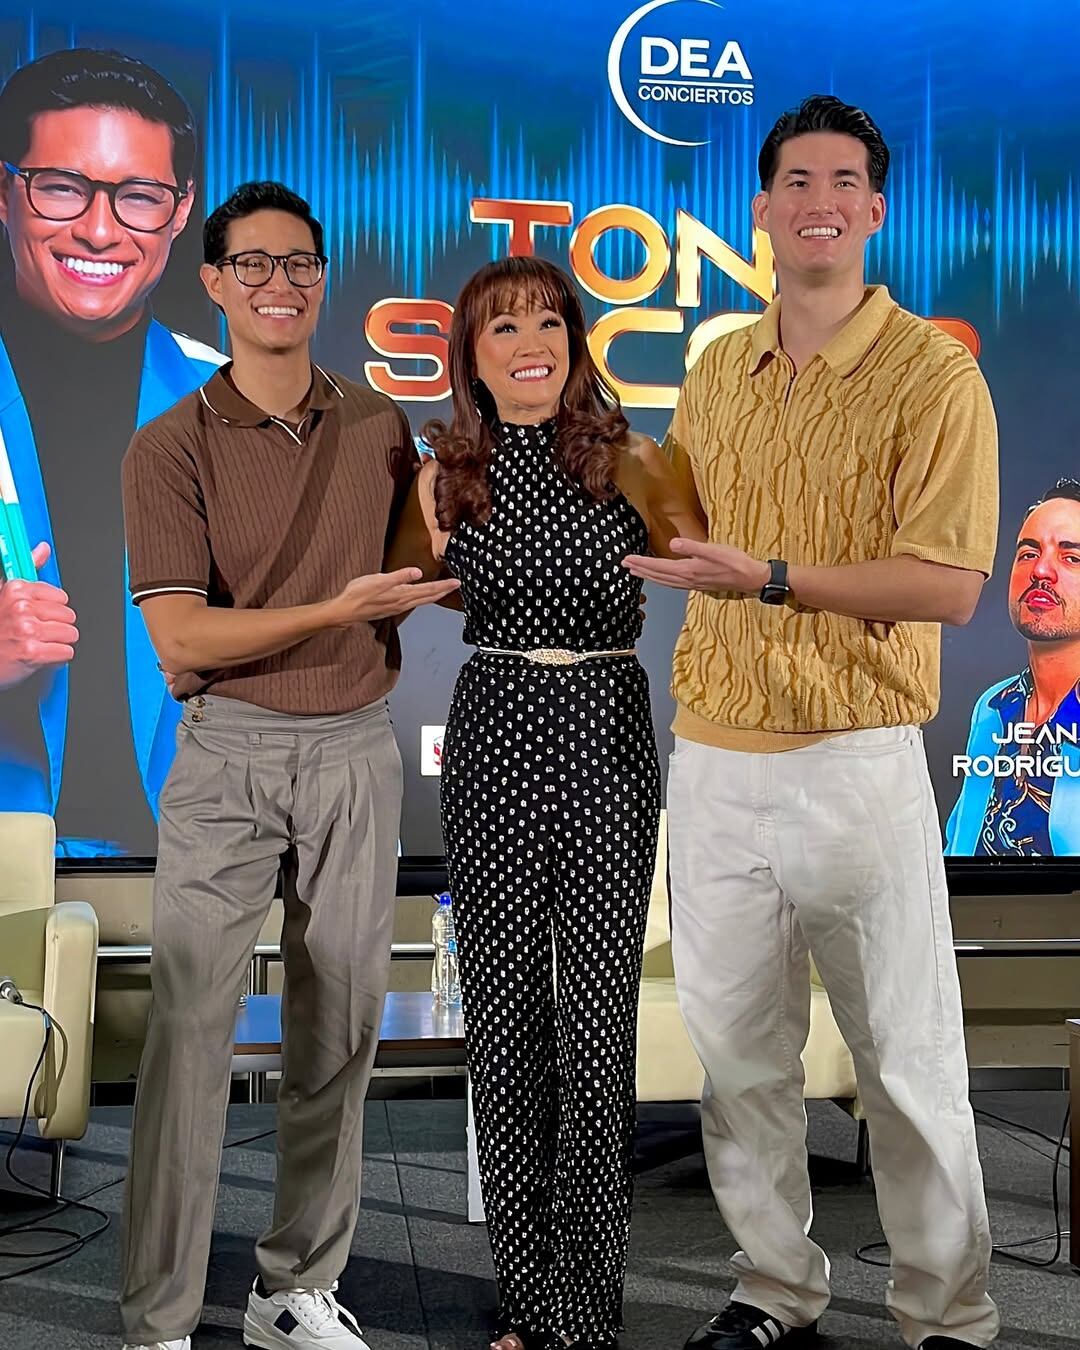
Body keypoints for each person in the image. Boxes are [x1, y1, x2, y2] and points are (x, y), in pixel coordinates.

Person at [623, 95, 1000, 1350]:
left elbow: (946, 584)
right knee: (740, 1066)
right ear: (763, 208)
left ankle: (947, 1315)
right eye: (796, 179)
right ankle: (773, 1288)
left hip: (858, 764)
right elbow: (683, 536)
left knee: (905, 1065)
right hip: (716, 758)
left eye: (845, 180)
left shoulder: (933, 372)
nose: (819, 200)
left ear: (876, 210)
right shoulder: (719, 362)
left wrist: (772, 576)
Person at [118, 179, 458, 1350]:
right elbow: (182, 639)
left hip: (355, 751)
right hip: (228, 756)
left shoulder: (377, 426)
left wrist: (449, 515)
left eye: (300, 265)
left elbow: (421, 573)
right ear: (213, 283)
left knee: (340, 1032)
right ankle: (158, 1315)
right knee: (191, 1033)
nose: (280, 286)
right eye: (253, 266)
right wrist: (335, 605)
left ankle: (291, 1288)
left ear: (324, 280)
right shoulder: (168, 446)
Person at [386, 254, 706, 1350]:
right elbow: (383, 602)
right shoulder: (444, 480)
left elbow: (714, 578)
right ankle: (528, 1300)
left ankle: (586, 1305)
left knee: (600, 1025)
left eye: (546, 321)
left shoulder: (635, 461)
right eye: (502, 327)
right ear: (469, 357)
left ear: (574, 339)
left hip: (609, 731)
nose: (529, 342)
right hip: (494, 737)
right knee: (508, 1026)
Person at [0, 46, 225, 854]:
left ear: (179, 209)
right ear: (4, 191)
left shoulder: (244, 408)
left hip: (193, 890)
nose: (100, 229)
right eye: (61, 187)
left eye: (138, 196)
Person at [947, 479, 1080, 855]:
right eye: (1028, 553)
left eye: (1071, 557)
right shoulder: (993, 707)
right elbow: (960, 842)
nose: (1041, 571)